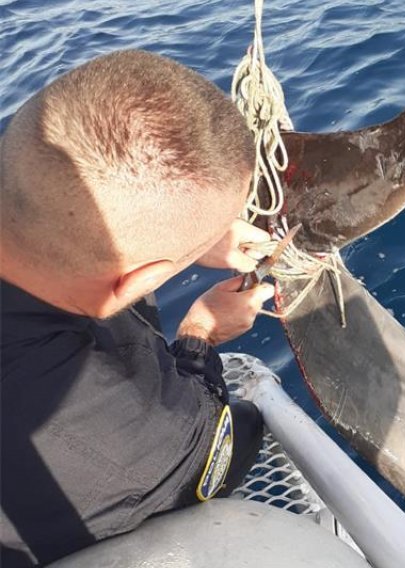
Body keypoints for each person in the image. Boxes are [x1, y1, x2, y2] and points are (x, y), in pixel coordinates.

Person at [0, 50, 276, 566]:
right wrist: (200, 334)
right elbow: (223, 448)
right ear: (142, 279)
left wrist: (191, 238)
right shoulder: (95, 428)